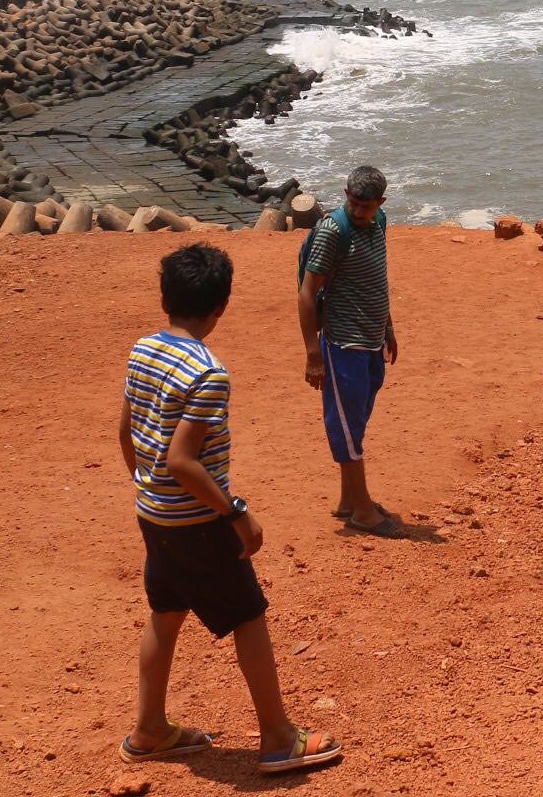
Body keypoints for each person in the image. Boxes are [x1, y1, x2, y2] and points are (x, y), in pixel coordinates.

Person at [117, 243, 341, 775]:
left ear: (166, 296)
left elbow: (127, 432)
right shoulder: (207, 372)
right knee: (248, 614)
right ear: (221, 306)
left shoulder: (142, 349)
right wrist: (236, 511)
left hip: (154, 516)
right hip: (198, 521)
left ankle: (149, 729)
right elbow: (183, 461)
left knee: (165, 614)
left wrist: (146, 489)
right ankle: (279, 737)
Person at [297, 165, 400, 536]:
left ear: (381, 203)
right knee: (346, 426)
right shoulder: (331, 232)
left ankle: (347, 501)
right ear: (345, 194)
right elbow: (307, 294)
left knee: (355, 421)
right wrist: (313, 354)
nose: (359, 212)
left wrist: (388, 327)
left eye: (366, 207)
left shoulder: (379, 222)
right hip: (343, 344)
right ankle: (363, 513)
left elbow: (377, 278)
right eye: (353, 204)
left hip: (371, 341)